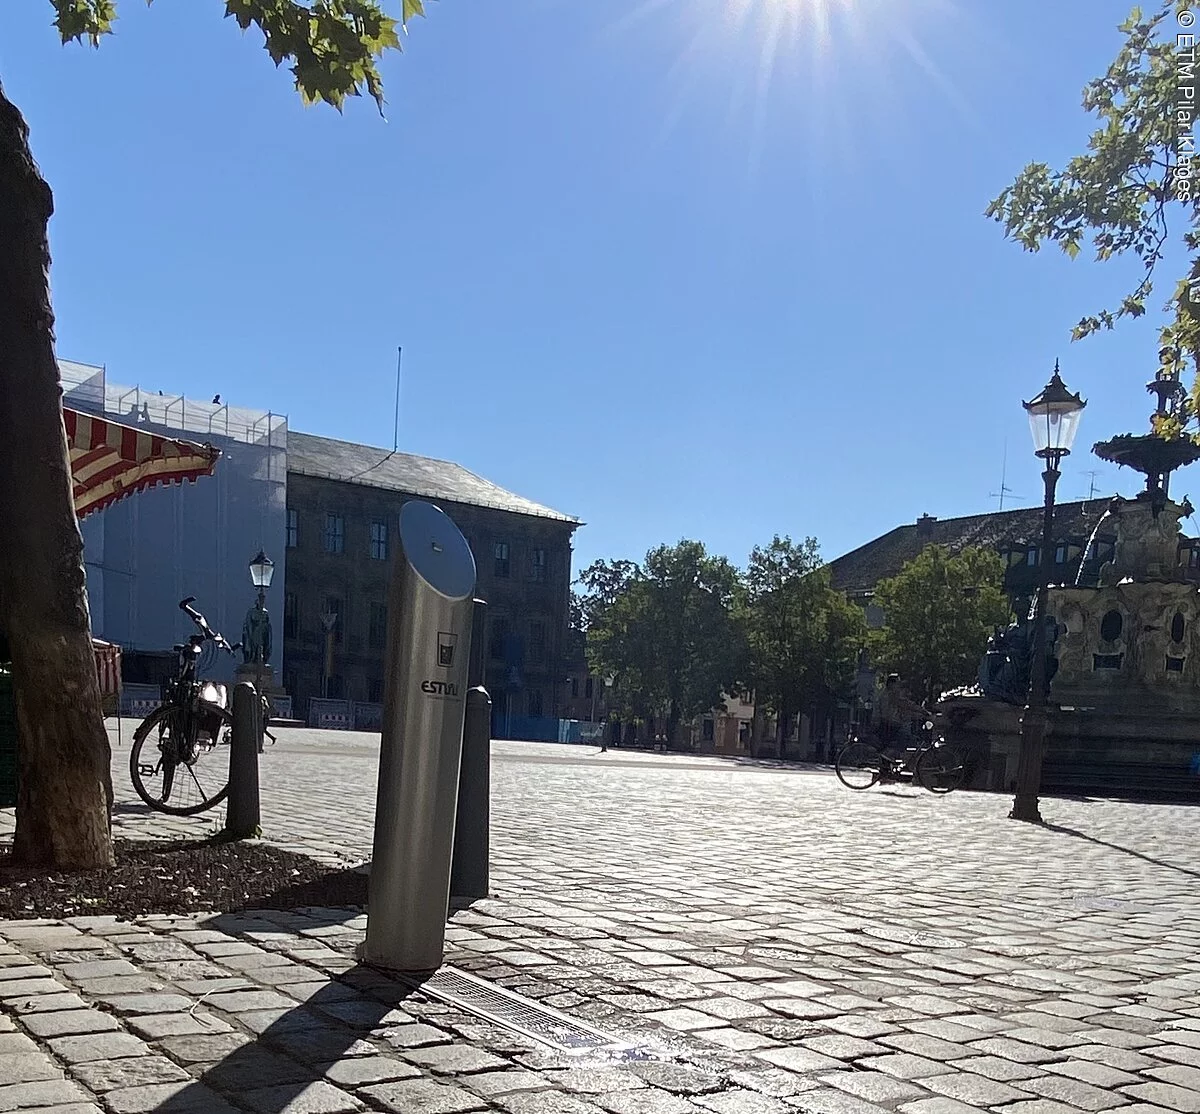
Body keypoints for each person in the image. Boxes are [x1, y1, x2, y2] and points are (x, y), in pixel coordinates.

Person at [873, 674, 926, 748]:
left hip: (891, 725)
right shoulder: (890, 695)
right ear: (891, 684)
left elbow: (905, 706)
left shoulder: (889, 694)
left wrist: (918, 713)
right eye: (897, 683)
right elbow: (904, 704)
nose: (899, 686)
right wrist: (921, 712)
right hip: (888, 726)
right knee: (907, 739)